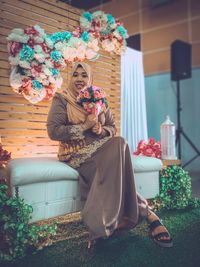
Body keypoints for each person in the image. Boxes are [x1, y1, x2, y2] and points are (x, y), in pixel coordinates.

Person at [47, 62, 173, 249]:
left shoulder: (99, 98)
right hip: (77, 154)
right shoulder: (62, 100)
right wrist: (84, 127)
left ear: (90, 79)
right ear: (70, 77)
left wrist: (101, 129)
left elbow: (112, 128)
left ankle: (102, 225)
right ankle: (146, 213)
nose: (80, 79)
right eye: (75, 74)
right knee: (116, 156)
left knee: (120, 141)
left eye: (84, 75)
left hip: (103, 148)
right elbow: (54, 131)